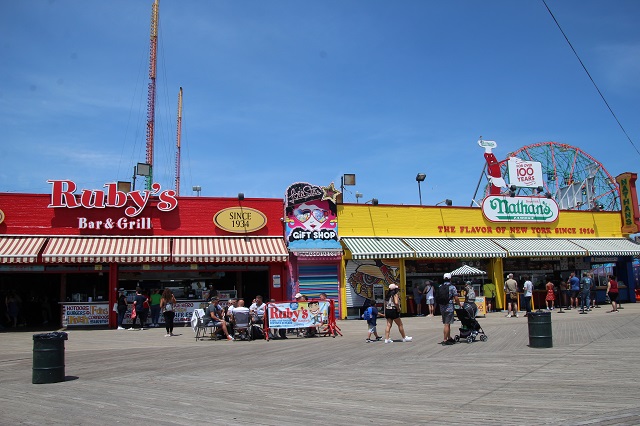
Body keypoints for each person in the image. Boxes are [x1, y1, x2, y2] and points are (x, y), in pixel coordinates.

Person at [438, 273, 460, 345]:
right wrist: (459, 304)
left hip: (442, 307)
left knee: (446, 323)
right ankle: (445, 340)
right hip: (449, 307)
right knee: (447, 324)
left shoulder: (440, 286)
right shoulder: (452, 287)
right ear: (450, 279)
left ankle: (449, 337)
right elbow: (456, 298)